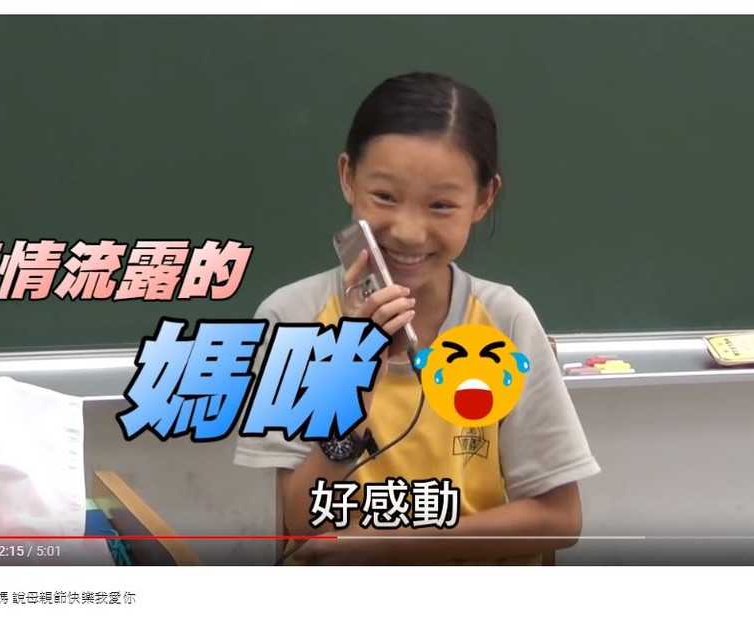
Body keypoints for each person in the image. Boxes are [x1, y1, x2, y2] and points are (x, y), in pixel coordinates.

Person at [233, 71, 600, 565]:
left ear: (484, 199)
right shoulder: (292, 319)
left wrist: (390, 543)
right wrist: (352, 386)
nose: (408, 231)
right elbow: (299, 525)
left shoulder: (504, 320)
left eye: (441, 205)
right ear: (348, 177)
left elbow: (559, 518)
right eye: (385, 197)